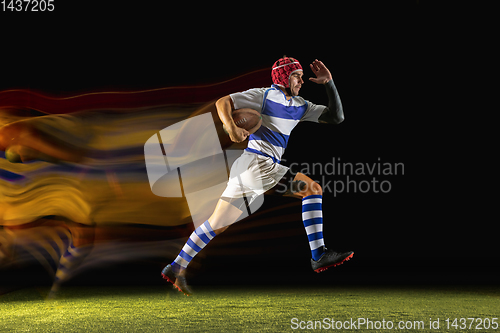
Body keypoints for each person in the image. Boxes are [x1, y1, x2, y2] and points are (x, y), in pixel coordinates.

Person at [162, 57, 353, 295]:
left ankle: (176, 266)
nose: (302, 81)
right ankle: (318, 254)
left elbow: (337, 117)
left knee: (217, 224)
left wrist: (329, 83)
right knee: (312, 189)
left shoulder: (301, 105)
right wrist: (231, 127)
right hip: (258, 164)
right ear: (283, 77)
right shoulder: (263, 95)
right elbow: (224, 102)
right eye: (297, 76)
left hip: (247, 167)